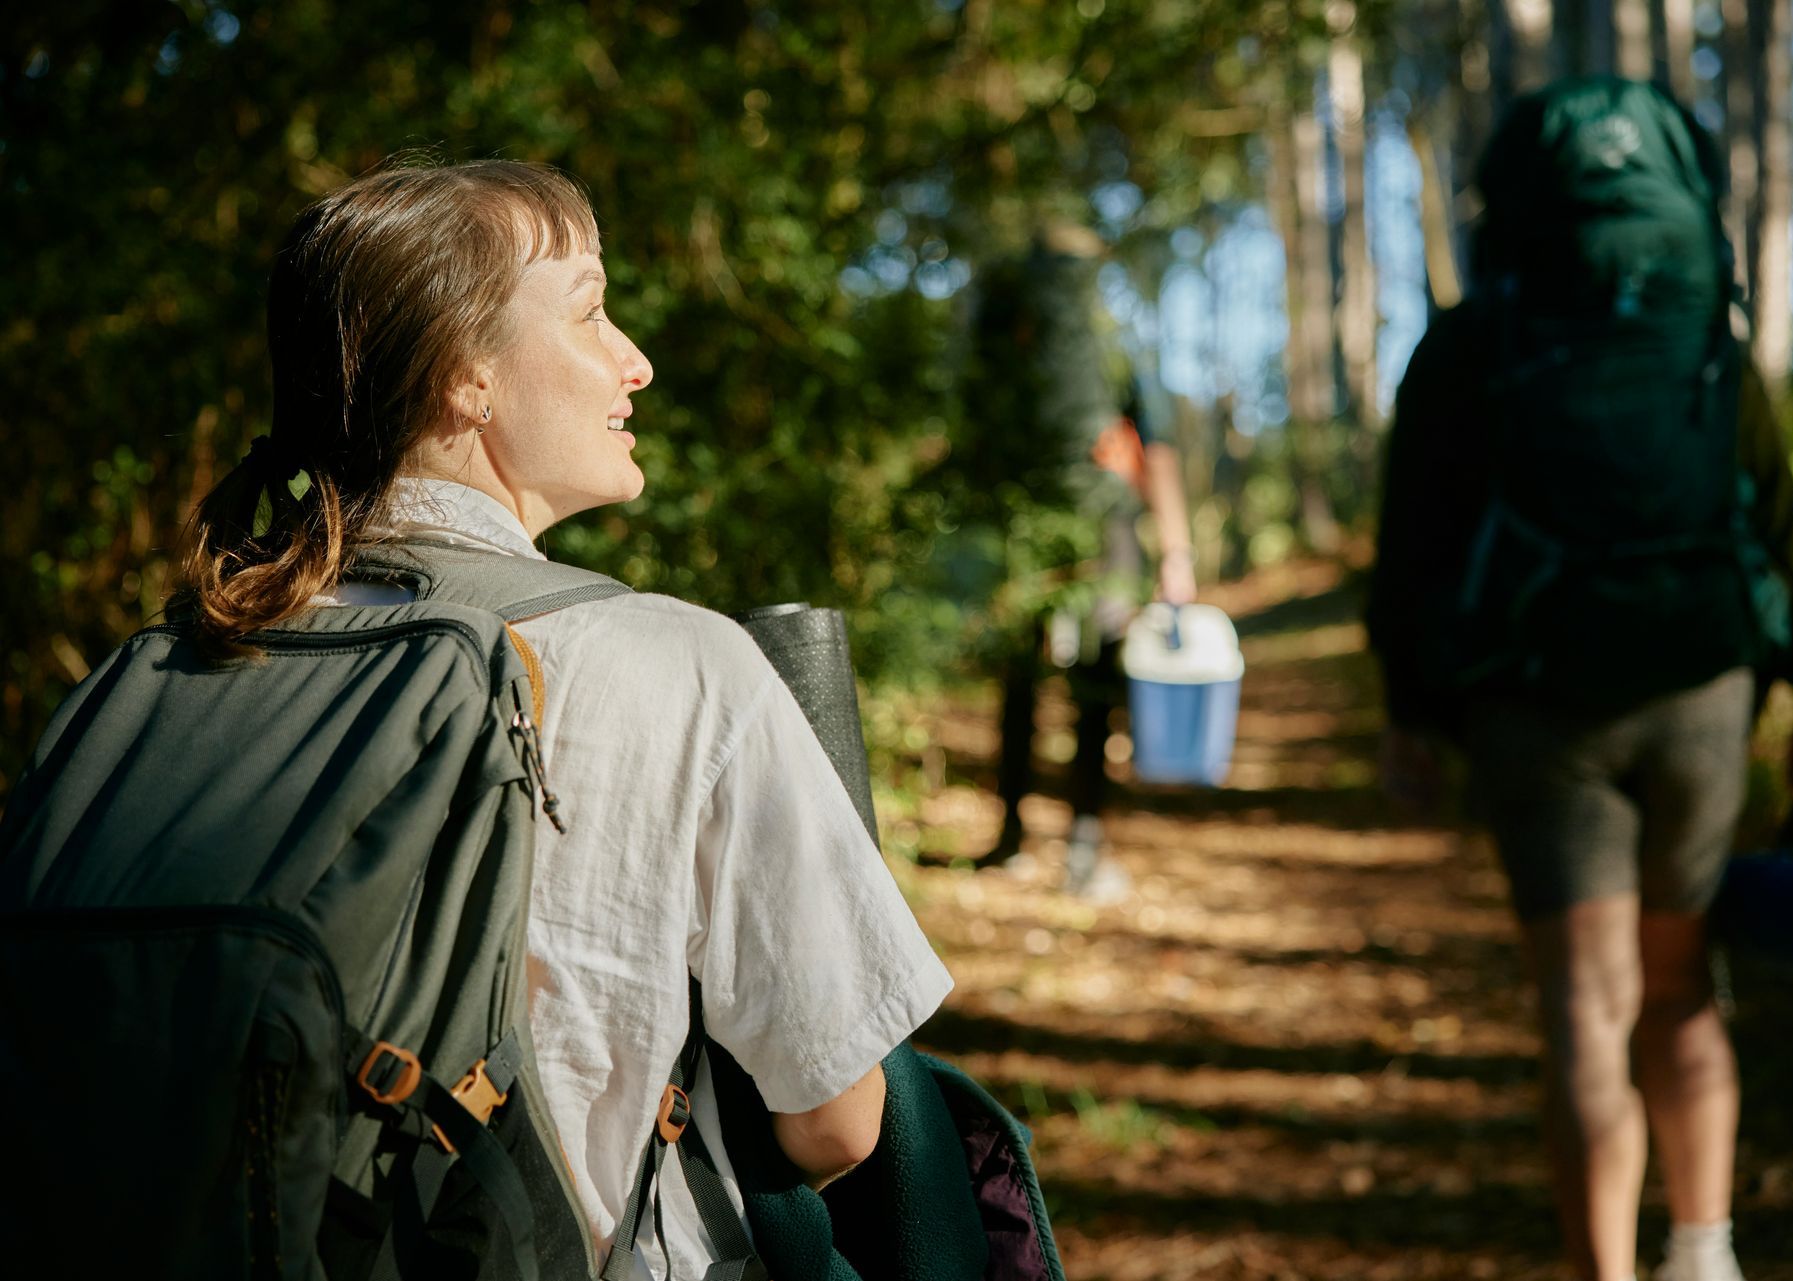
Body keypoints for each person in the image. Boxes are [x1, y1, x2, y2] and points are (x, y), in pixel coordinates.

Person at [182, 160, 953, 1276]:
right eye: (591, 311)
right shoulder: (677, 668)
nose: (633, 360)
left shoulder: (184, 657)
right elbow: (837, 1122)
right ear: (465, 379)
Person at [1367, 81, 1793, 1281]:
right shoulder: (1699, 331)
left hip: (1539, 699)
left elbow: (1414, 538)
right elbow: (1770, 510)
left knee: (1587, 1006)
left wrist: (1410, 712)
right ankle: (1704, 1253)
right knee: (1683, 984)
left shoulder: (1470, 344)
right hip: (1703, 686)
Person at [966, 222, 1196, 898]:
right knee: (1096, 683)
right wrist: (1175, 550)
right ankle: (1086, 847)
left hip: (1024, 523)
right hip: (1105, 528)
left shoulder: (1005, 334)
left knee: (1020, 680)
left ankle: (1010, 835)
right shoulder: (1108, 339)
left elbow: (976, 431)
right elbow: (1156, 446)